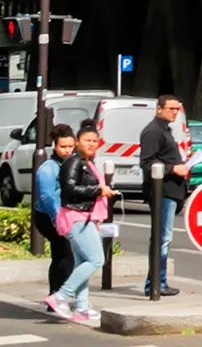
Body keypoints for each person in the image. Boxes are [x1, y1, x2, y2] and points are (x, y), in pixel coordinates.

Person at [47, 125, 112, 325]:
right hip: (76, 217)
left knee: (82, 261)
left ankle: (82, 307)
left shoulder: (86, 162)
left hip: (85, 217)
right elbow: (70, 188)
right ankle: (61, 296)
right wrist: (99, 190)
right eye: (87, 140)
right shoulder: (73, 162)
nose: (92, 144)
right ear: (78, 142)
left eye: (95, 141)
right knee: (96, 259)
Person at [139, 95, 194, 300]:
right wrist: (174, 168)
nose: (174, 112)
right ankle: (155, 283)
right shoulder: (153, 131)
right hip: (162, 191)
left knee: (163, 237)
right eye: (170, 108)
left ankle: (158, 281)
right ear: (159, 109)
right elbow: (146, 163)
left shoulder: (164, 130)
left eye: (176, 109)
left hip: (170, 190)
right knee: (162, 238)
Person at [33, 123, 75, 294]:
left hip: (62, 215)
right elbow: (47, 197)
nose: (67, 150)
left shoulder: (69, 164)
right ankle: (57, 295)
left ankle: (57, 295)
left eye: (71, 146)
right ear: (54, 146)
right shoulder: (48, 168)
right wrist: (57, 220)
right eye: (63, 147)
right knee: (65, 253)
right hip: (47, 216)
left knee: (62, 253)